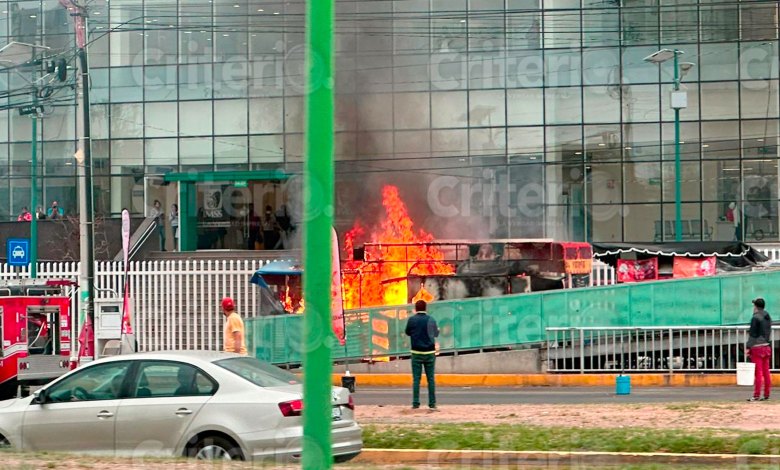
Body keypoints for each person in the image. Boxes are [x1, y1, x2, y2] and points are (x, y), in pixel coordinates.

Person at [404, 299, 439, 410]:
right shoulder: (431, 320)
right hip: (429, 353)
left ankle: (415, 404)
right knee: (431, 379)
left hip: (416, 353)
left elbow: (407, 332)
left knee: (416, 380)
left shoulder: (412, 320)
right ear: (425, 308)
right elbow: (436, 334)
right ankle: (432, 404)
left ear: (415, 308)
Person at [746, 298, 772, 402]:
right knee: (766, 372)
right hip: (766, 346)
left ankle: (756, 395)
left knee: (758, 373)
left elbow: (752, 334)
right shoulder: (767, 316)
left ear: (756, 306)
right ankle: (766, 394)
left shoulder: (755, 318)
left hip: (757, 347)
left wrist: (748, 347)